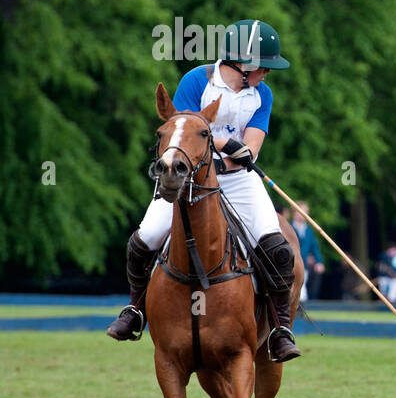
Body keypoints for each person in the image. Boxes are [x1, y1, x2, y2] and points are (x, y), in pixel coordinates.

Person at [106, 20, 301, 362]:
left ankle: (280, 330)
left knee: (277, 248)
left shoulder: (262, 95)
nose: (266, 75)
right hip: (186, 177)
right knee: (145, 238)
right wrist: (224, 142)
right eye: (263, 67)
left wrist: (230, 158)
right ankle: (134, 310)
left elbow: (250, 150)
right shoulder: (197, 81)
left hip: (238, 179)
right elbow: (180, 129)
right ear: (243, 64)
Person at [290, 203, 325, 302]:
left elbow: (314, 247)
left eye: (305, 212)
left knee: (303, 287)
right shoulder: (289, 227)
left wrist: (319, 261)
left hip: (304, 264)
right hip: (290, 264)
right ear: (295, 213)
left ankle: (307, 304)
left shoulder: (309, 230)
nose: (303, 214)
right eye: (301, 212)